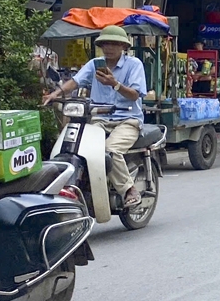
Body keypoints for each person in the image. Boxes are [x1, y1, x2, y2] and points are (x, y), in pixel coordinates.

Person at [44, 25, 148, 208]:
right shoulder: (95, 64)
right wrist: (55, 94)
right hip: (98, 119)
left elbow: (135, 95)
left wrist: (114, 84)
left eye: (114, 44)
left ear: (123, 46)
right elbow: (75, 82)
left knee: (109, 150)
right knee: (79, 148)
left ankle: (128, 189)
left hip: (127, 120)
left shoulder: (134, 65)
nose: (108, 48)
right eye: (105, 44)